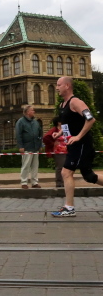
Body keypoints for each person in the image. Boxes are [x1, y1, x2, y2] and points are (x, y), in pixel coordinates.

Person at [51, 77, 103, 217]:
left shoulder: (76, 102)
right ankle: (69, 207)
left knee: (66, 172)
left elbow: (91, 119)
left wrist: (78, 136)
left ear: (67, 86)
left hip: (82, 145)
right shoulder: (62, 104)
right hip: (74, 145)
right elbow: (68, 123)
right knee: (89, 176)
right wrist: (60, 133)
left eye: (59, 85)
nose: (57, 87)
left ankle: (69, 208)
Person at [16, 105, 43, 189]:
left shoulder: (35, 122)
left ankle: (35, 182)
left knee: (35, 166)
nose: (34, 111)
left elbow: (40, 134)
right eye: (32, 110)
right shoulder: (20, 122)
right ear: (28, 112)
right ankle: (24, 182)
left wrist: (40, 144)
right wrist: (21, 146)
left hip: (35, 147)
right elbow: (18, 135)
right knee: (26, 165)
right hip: (26, 147)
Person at [43, 117, 67, 188]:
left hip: (66, 150)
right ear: (59, 123)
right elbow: (45, 137)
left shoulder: (64, 129)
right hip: (59, 151)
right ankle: (59, 182)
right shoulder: (54, 130)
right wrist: (53, 143)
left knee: (66, 167)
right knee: (60, 166)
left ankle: (65, 181)